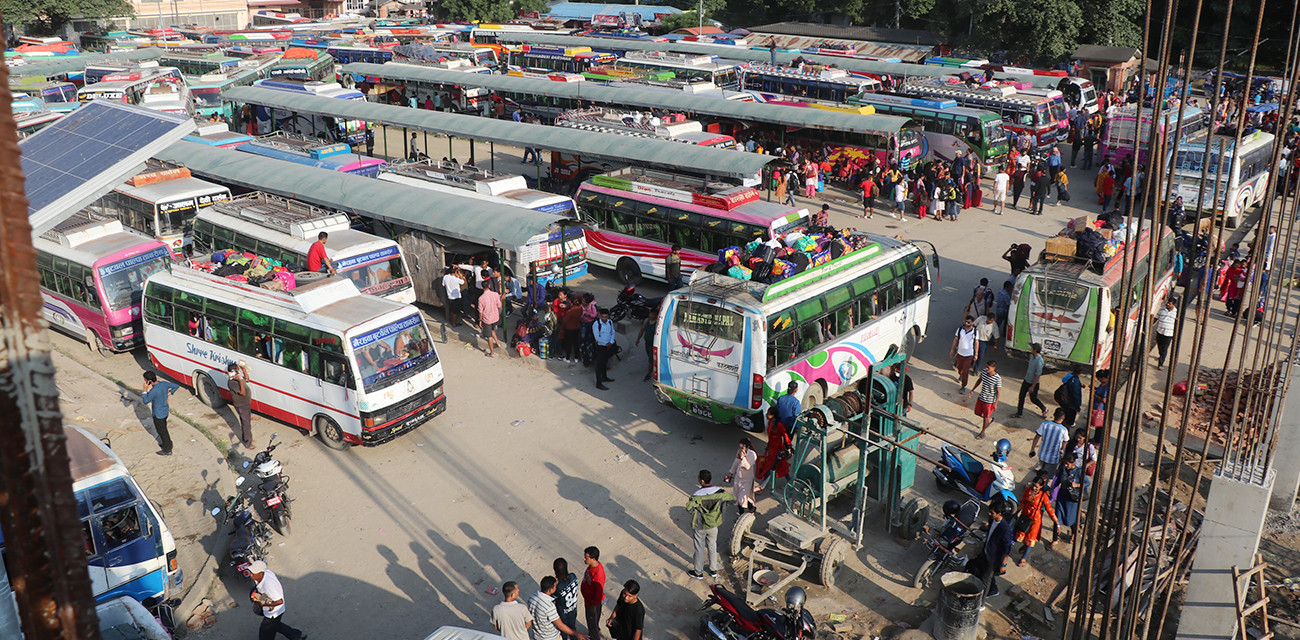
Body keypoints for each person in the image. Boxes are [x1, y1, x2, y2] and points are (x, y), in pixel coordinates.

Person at [686, 469, 735, 579]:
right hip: (714, 524)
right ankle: (713, 571)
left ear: (702, 481)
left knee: (699, 548)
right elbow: (732, 499)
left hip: (700, 525)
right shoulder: (720, 492)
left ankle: (698, 572)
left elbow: (688, 508)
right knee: (712, 546)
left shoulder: (696, 495)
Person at [966, 496, 1015, 598]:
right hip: (986, 551)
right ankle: (993, 589)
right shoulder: (992, 520)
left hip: (993, 558)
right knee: (973, 565)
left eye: (992, 513)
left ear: (999, 514)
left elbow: (1007, 549)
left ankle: (981, 602)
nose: (989, 514)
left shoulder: (1005, 529)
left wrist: (1004, 564)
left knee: (985, 580)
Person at [245, 560, 307, 640]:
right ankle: (296, 636)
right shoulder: (267, 573)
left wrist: (263, 605)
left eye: (253, 573)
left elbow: (280, 601)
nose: (251, 575)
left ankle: (296, 636)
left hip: (273, 613)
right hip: (278, 610)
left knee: (265, 634)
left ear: (260, 573)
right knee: (276, 625)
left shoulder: (269, 586)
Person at [1013, 474, 1059, 566]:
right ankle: (1025, 546)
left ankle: (1024, 558)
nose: (1034, 488)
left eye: (1036, 487)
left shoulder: (1043, 496)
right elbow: (1023, 503)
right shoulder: (1027, 491)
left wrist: (1057, 523)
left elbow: (1049, 510)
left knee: (1031, 539)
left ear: (1041, 487)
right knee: (1020, 533)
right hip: (1025, 516)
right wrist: (1015, 512)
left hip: (1035, 520)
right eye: (1033, 485)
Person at [133, 371, 179, 455]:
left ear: (149, 381)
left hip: (158, 414)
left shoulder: (154, 391)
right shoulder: (164, 384)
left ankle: (167, 449)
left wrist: (145, 391)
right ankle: (167, 443)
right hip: (165, 411)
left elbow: (146, 400)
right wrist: (170, 392)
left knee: (162, 431)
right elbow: (176, 386)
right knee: (164, 428)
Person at [1050, 452, 1084, 542]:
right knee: (1057, 518)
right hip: (1062, 497)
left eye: (1067, 464)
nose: (1066, 465)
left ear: (1073, 463)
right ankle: (1055, 539)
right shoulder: (1063, 469)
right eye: (1065, 463)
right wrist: (1052, 488)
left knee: (1072, 519)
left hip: (1072, 500)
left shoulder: (1079, 472)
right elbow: (1058, 480)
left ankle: (1074, 534)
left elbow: (1086, 483)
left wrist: (1076, 485)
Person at [754, 408, 791, 484]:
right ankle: (790, 481)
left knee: (770, 466)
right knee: (780, 466)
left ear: (773, 415)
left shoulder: (779, 425)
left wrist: (789, 446)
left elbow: (785, 435)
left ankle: (762, 486)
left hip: (777, 449)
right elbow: (770, 436)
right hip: (771, 447)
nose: (767, 415)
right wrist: (768, 445)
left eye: (768, 413)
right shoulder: (770, 422)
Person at [1030, 408, 1070, 477]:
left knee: (1041, 471)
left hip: (1042, 454)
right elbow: (1065, 441)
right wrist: (1062, 449)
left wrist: (1032, 449)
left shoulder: (1045, 424)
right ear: (1063, 418)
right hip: (1053, 458)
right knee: (1048, 476)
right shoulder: (1063, 430)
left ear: (1054, 415)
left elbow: (1037, 437)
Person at [1012, 342, 1048, 418]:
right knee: (1021, 396)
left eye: (1032, 348)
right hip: (1026, 380)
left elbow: (1038, 374)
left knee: (1033, 399)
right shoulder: (1032, 357)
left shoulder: (1039, 361)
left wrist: (1033, 386)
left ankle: (1044, 408)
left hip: (1033, 383)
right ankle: (1019, 413)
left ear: (1035, 350)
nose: (1030, 349)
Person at [726, 438, 758, 514]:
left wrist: (742, 457)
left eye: (742, 447)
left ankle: (742, 514)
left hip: (747, 480)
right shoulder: (739, 452)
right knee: (738, 496)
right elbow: (735, 463)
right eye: (739, 447)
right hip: (738, 479)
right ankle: (751, 509)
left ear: (747, 447)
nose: (740, 449)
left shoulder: (752, 455)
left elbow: (748, 466)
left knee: (742, 498)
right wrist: (730, 473)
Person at [553, 559, 582, 640]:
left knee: (563, 632)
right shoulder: (573, 576)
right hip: (573, 610)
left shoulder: (557, 587)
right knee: (573, 630)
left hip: (563, 615)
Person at [581, 547, 606, 640]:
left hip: (592, 604)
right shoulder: (592, 567)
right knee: (592, 622)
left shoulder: (598, 574)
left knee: (592, 625)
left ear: (593, 559)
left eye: (586, 558)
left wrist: (594, 607)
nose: (584, 559)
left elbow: (598, 594)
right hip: (588, 601)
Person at [228, 361, 254, 449]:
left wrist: (244, 369)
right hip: (241, 405)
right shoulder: (232, 382)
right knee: (246, 423)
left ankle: (248, 438)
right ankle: (248, 443)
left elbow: (247, 379)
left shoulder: (238, 378)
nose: (239, 372)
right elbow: (242, 393)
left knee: (246, 422)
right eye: (238, 370)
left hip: (246, 403)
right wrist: (239, 381)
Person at [973, 360, 1001, 440]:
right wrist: (973, 389)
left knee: (986, 416)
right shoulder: (984, 372)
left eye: (988, 368)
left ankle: (983, 432)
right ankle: (989, 419)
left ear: (993, 368)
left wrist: (995, 403)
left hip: (989, 401)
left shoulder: (997, 379)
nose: (986, 369)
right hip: (981, 397)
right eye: (986, 367)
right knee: (977, 412)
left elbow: (998, 392)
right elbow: (979, 380)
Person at [951, 316, 978, 394]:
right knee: (959, 368)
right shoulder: (960, 330)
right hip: (960, 353)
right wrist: (952, 350)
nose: (966, 323)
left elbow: (976, 343)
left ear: (972, 323)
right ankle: (961, 374)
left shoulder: (975, 332)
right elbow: (956, 340)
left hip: (969, 355)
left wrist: (976, 354)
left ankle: (963, 386)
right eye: (966, 322)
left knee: (966, 371)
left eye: (968, 322)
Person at [593, 309, 616, 390]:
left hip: (609, 346)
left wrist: (611, 342)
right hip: (601, 347)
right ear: (600, 315)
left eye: (606, 317)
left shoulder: (610, 322)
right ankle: (598, 383)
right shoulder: (596, 324)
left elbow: (612, 332)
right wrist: (605, 344)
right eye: (603, 316)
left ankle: (604, 377)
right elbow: (597, 337)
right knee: (599, 364)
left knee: (605, 362)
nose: (604, 318)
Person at [479, 279, 502, 357]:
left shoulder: (481, 298)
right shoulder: (495, 294)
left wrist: (480, 320)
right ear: (489, 286)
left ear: (482, 287)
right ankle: (498, 343)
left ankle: (492, 353)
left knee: (489, 336)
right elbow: (499, 305)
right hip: (495, 317)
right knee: (492, 330)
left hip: (487, 319)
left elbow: (480, 312)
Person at [1153, 297, 1178, 370]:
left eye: (1169, 303)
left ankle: (1160, 364)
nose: (1167, 304)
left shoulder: (1176, 313)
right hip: (1160, 332)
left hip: (1169, 334)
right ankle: (1161, 356)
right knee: (1160, 346)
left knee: (1164, 348)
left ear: (1173, 305)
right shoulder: (1162, 309)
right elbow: (1156, 318)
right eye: (1167, 303)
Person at [635, 306, 658, 382]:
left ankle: (649, 373)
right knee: (649, 356)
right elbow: (642, 330)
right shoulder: (646, 321)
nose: (652, 316)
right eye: (651, 314)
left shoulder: (657, 324)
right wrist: (638, 339)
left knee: (651, 359)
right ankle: (653, 366)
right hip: (647, 343)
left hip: (653, 344)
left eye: (653, 315)